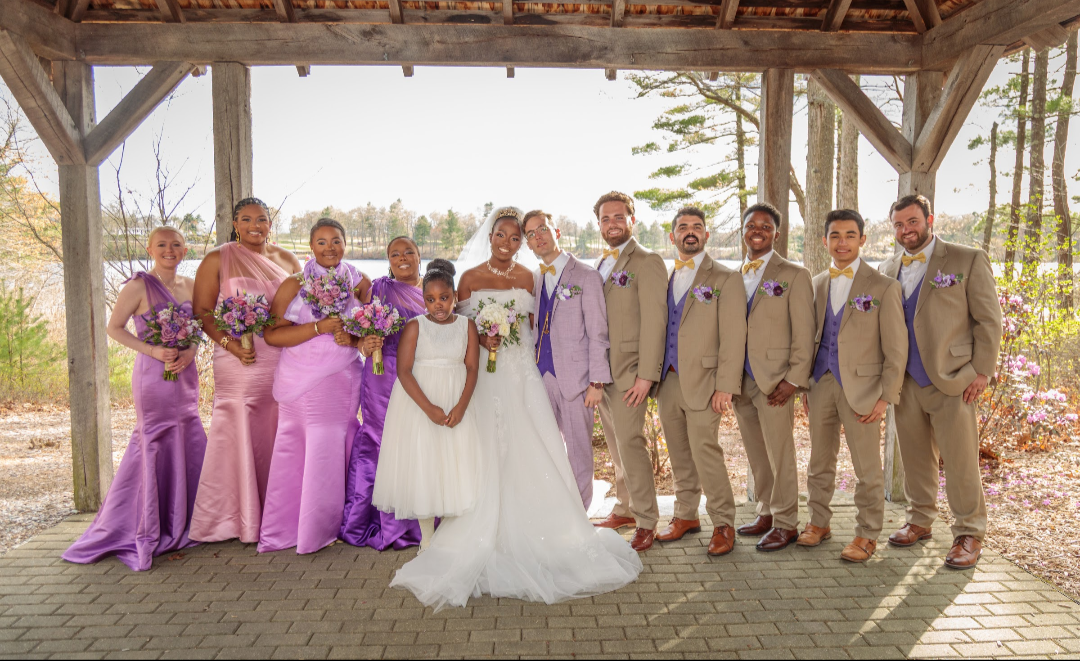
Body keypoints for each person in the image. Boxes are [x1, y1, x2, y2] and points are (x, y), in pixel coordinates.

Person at [388, 206, 642, 610]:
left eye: (515, 237)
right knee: (486, 447)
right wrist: (482, 339)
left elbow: (540, 325)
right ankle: (476, 526)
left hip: (524, 374)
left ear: (522, 242)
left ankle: (550, 523)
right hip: (485, 379)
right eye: (501, 235)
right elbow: (460, 328)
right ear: (489, 236)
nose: (507, 243)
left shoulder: (530, 276)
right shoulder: (468, 279)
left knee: (533, 445)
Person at [62, 227, 207, 571]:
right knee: (154, 438)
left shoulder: (191, 285)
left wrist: (190, 350)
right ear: (150, 249)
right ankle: (146, 523)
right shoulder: (138, 286)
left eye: (176, 245)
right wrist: (152, 351)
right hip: (154, 376)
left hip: (185, 374)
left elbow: (200, 325)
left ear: (185, 250)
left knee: (188, 433)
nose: (169, 250)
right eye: (162, 245)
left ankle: (189, 521)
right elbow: (114, 328)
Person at [878, 195, 1001, 569]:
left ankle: (969, 532)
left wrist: (982, 371)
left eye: (912, 222)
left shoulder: (966, 259)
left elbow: (988, 319)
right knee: (915, 457)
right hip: (905, 381)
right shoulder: (887, 268)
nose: (906, 230)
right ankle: (920, 519)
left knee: (961, 461)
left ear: (929, 220)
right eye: (899, 225)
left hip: (954, 378)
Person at [188, 197, 301, 544]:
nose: (255, 226)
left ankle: (279, 513)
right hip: (239, 359)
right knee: (240, 425)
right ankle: (233, 518)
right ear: (235, 224)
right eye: (247, 219)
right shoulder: (216, 258)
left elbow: (301, 308)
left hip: (282, 358)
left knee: (280, 428)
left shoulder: (287, 259)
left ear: (271, 224)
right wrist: (230, 344)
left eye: (262, 219)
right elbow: (202, 311)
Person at [799, 209, 906, 563]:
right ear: (824, 241)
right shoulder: (816, 284)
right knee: (819, 461)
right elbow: (810, 337)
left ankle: (867, 533)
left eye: (849, 235)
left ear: (862, 239)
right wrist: (806, 385)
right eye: (835, 235)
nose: (841, 242)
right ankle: (818, 522)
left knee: (867, 468)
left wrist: (886, 396)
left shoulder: (884, 287)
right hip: (821, 383)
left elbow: (896, 348)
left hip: (864, 390)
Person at [256, 218, 364, 554]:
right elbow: (272, 335)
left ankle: (337, 523)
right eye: (322, 242)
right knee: (304, 446)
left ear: (345, 244)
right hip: (302, 382)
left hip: (344, 378)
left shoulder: (358, 280)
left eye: (336, 241)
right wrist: (318, 328)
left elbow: (373, 326)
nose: (330, 248)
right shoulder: (295, 284)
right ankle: (296, 527)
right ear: (311, 246)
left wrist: (354, 337)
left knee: (334, 443)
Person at [652, 207, 746, 556]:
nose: (689, 232)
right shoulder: (665, 276)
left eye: (696, 227)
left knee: (706, 452)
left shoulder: (725, 278)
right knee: (678, 453)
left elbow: (734, 336)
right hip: (668, 380)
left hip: (706, 382)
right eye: (682, 227)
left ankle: (723, 523)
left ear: (706, 235)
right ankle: (686, 515)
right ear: (672, 236)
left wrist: (726, 385)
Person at [373, 259, 482, 551]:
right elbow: (404, 371)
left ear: (455, 297)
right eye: (431, 299)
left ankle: (449, 536)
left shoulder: (467, 326)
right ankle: (428, 539)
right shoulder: (415, 326)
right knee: (425, 463)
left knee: (453, 464)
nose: (438, 305)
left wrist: (461, 406)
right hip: (421, 403)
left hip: (456, 398)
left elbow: (472, 368)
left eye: (444, 298)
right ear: (423, 300)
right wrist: (429, 408)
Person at [732, 203, 815, 552]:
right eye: (751, 225)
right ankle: (765, 511)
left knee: (780, 453)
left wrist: (794, 380)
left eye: (765, 227)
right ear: (743, 231)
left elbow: (805, 331)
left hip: (775, 381)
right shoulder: (734, 275)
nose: (758, 231)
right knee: (757, 453)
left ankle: (786, 522)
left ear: (776, 234)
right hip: (740, 380)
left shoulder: (794, 275)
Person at [590, 191, 668, 553]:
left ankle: (647, 521)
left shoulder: (648, 261)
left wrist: (646, 375)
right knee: (616, 446)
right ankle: (624, 508)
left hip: (631, 374)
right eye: (605, 219)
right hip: (603, 374)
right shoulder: (600, 263)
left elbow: (655, 321)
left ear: (632, 220)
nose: (612, 224)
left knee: (632, 446)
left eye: (619, 217)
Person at [341, 236, 426, 550]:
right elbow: (354, 329)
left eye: (408, 252)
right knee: (381, 440)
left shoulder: (435, 290)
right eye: (395, 254)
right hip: (383, 375)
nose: (402, 258)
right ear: (388, 260)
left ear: (419, 256)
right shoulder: (378, 289)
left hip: (423, 376)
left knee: (420, 441)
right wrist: (364, 344)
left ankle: (421, 520)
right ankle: (379, 519)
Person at [523, 209, 611, 511]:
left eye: (542, 229)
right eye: (531, 234)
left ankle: (579, 516)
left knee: (578, 452)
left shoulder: (586, 275)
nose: (538, 237)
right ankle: (554, 511)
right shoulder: (536, 279)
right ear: (528, 244)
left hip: (577, 380)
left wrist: (597, 382)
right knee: (546, 450)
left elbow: (598, 332)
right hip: (542, 376)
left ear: (556, 232)